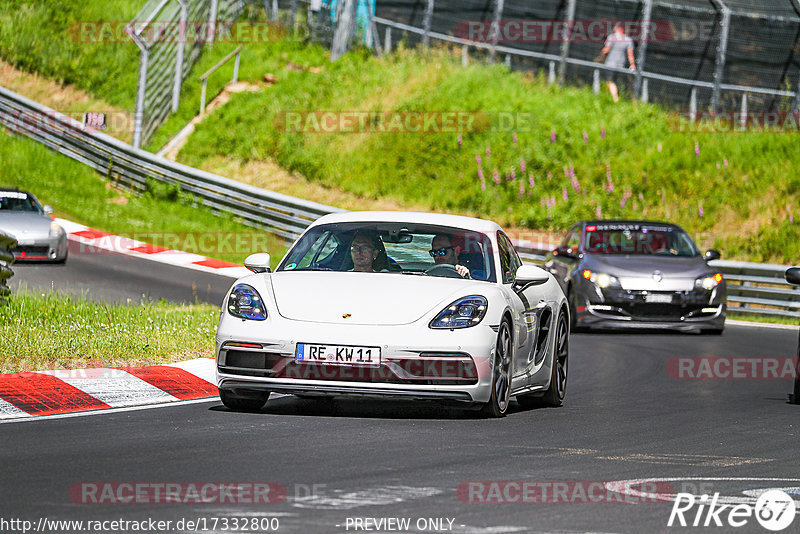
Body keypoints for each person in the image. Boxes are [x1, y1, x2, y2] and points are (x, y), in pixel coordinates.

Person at [599, 22, 636, 103]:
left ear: (618, 28)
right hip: (621, 64)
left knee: (610, 81)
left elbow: (606, 50)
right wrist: (632, 65)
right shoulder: (628, 40)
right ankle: (617, 96)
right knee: (615, 81)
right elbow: (630, 55)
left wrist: (600, 57)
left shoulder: (612, 37)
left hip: (610, 64)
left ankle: (615, 98)